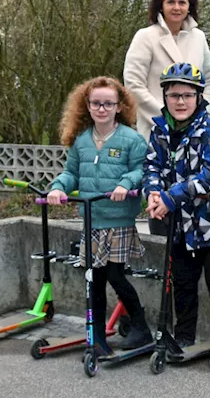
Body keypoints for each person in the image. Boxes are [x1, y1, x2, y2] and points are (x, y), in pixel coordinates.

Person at [142, 62, 210, 366]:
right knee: (182, 281)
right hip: (179, 225)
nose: (180, 102)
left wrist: (171, 196)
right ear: (165, 97)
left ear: (199, 97)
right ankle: (184, 336)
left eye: (187, 95)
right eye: (174, 96)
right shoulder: (159, 129)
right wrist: (153, 193)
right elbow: (152, 167)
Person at [46, 76, 151, 354]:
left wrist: (125, 184)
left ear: (119, 106)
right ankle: (98, 339)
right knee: (94, 281)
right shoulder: (81, 141)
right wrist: (58, 188)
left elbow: (141, 171)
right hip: (92, 221)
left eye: (108, 104)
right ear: (87, 106)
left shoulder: (131, 139)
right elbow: (71, 174)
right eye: (96, 103)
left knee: (116, 276)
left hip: (118, 221)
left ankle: (141, 328)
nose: (102, 109)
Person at [123, 0, 210, 139]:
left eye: (182, 3)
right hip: (156, 127)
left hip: (195, 129)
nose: (176, 7)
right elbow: (133, 84)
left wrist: (201, 111)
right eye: (171, 2)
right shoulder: (145, 36)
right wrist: (166, 116)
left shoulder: (199, 37)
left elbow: (209, 79)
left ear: (189, 7)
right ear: (161, 6)